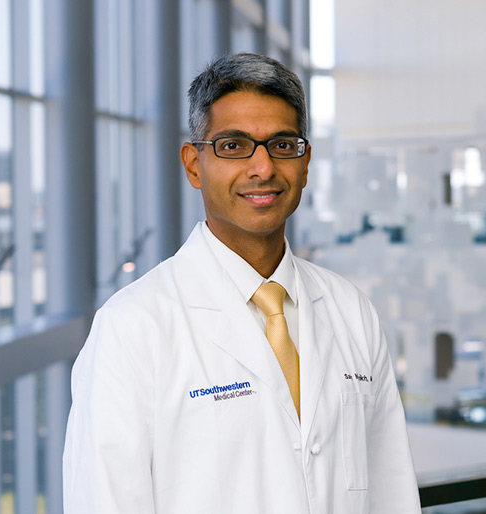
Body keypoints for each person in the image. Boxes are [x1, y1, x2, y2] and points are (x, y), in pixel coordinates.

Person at [63, 53, 421, 513]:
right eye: (233, 146)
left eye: (281, 144)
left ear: (305, 161)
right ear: (194, 164)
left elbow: (391, 492)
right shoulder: (132, 327)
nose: (263, 168)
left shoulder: (352, 310)